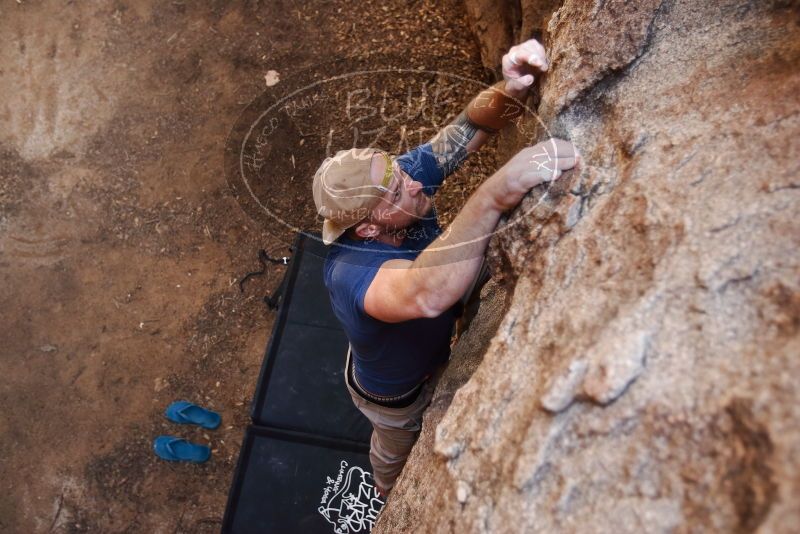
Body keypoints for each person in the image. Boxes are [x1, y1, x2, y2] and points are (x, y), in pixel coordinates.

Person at [312, 39, 579, 497]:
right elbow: (427, 294)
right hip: (396, 394)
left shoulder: (401, 189)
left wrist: (512, 86)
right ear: (369, 230)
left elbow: (468, 127)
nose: (414, 184)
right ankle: (384, 495)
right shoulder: (351, 272)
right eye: (396, 193)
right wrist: (499, 191)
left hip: (427, 336)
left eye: (400, 173)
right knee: (393, 450)